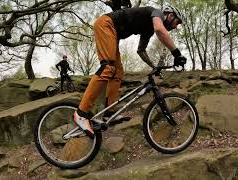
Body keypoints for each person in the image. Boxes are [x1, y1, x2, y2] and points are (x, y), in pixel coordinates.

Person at [73, 5, 187, 138]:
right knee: (108, 68)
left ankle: (109, 113)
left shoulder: (148, 29)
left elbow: (141, 51)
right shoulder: (156, 13)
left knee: (117, 73)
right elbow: (159, 29)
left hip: (112, 33)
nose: (176, 26)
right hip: (105, 24)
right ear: (170, 15)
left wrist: (154, 66)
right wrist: (177, 53)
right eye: (177, 22)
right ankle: (81, 113)